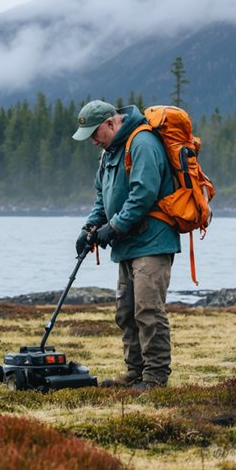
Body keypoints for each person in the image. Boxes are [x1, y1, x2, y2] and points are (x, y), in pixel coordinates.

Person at [72, 99, 180, 389]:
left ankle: (155, 378)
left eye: (95, 133)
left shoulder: (142, 142)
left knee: (147, 309)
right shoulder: (109, 153)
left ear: (110, 123)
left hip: (153, 242)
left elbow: (143, 194)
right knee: (126, 311)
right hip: (128, 245)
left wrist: (115, 227)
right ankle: (135, 373)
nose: (93, 141)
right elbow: (101, 197)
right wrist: (90, 228)